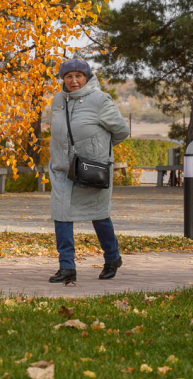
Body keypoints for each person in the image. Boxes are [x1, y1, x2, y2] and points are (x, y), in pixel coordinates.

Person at [47, 59, 130, 283]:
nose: (74, 80)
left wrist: (98, 149)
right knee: (61, 216)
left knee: (99, 216)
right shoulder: (58, 100)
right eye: (69, 76)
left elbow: (121, 131)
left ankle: (112, 258)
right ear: (63, 79)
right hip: (63, 169)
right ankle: (66, 266)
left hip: (92, 169)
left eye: (79, 76)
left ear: (87, 77)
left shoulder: (100, 100)